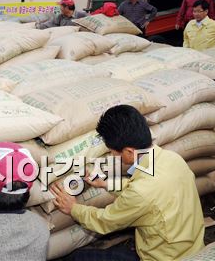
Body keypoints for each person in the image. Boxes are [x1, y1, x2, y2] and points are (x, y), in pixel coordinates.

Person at [51, 105, 205, 261]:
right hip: (192, 250)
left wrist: (73, 208)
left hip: (165, 258)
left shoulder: (141, 191)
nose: (112, 155)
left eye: (112, 151)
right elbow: (144, 192)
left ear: (129, 152)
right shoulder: (172, 159)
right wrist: (106, 184)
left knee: (78, 258)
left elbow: (105, 221)